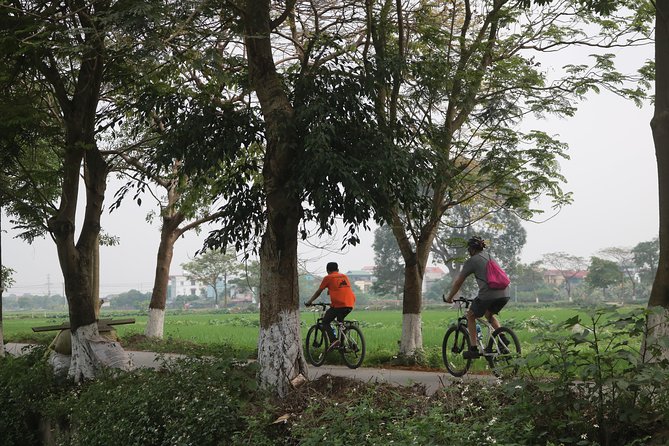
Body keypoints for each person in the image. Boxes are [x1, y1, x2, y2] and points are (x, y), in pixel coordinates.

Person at [443, 236, 510, 359]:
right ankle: (502, 339)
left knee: (471, 315)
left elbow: (458, 282)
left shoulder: (472, 261)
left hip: (488, 294)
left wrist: (449, 297)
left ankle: (473, 349)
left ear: (472, 249)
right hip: (505, 293)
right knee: (489, 315)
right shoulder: (490, 256)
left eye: (469, 249)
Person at [305, 262, 356, 351]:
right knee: (340, 323)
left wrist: (310, 301)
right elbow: (342, 289)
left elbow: (318, 292)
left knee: (325, 321)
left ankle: (334, 340)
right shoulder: (344, 277)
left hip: (339, 305)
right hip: (350, 303)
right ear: (338, 269)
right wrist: (330, 290)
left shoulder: (328, 278)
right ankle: (342, 346)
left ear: (327, 270)